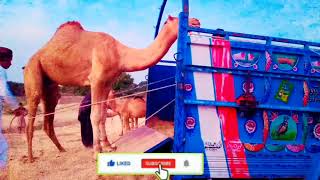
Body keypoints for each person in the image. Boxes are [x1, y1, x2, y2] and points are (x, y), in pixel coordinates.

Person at [0, 47, 21, 170]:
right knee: (2, 146)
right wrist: (16, 108)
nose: (11, 63)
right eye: (10, 60)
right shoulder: (1, 71)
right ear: (3, 59)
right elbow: (5, 92)